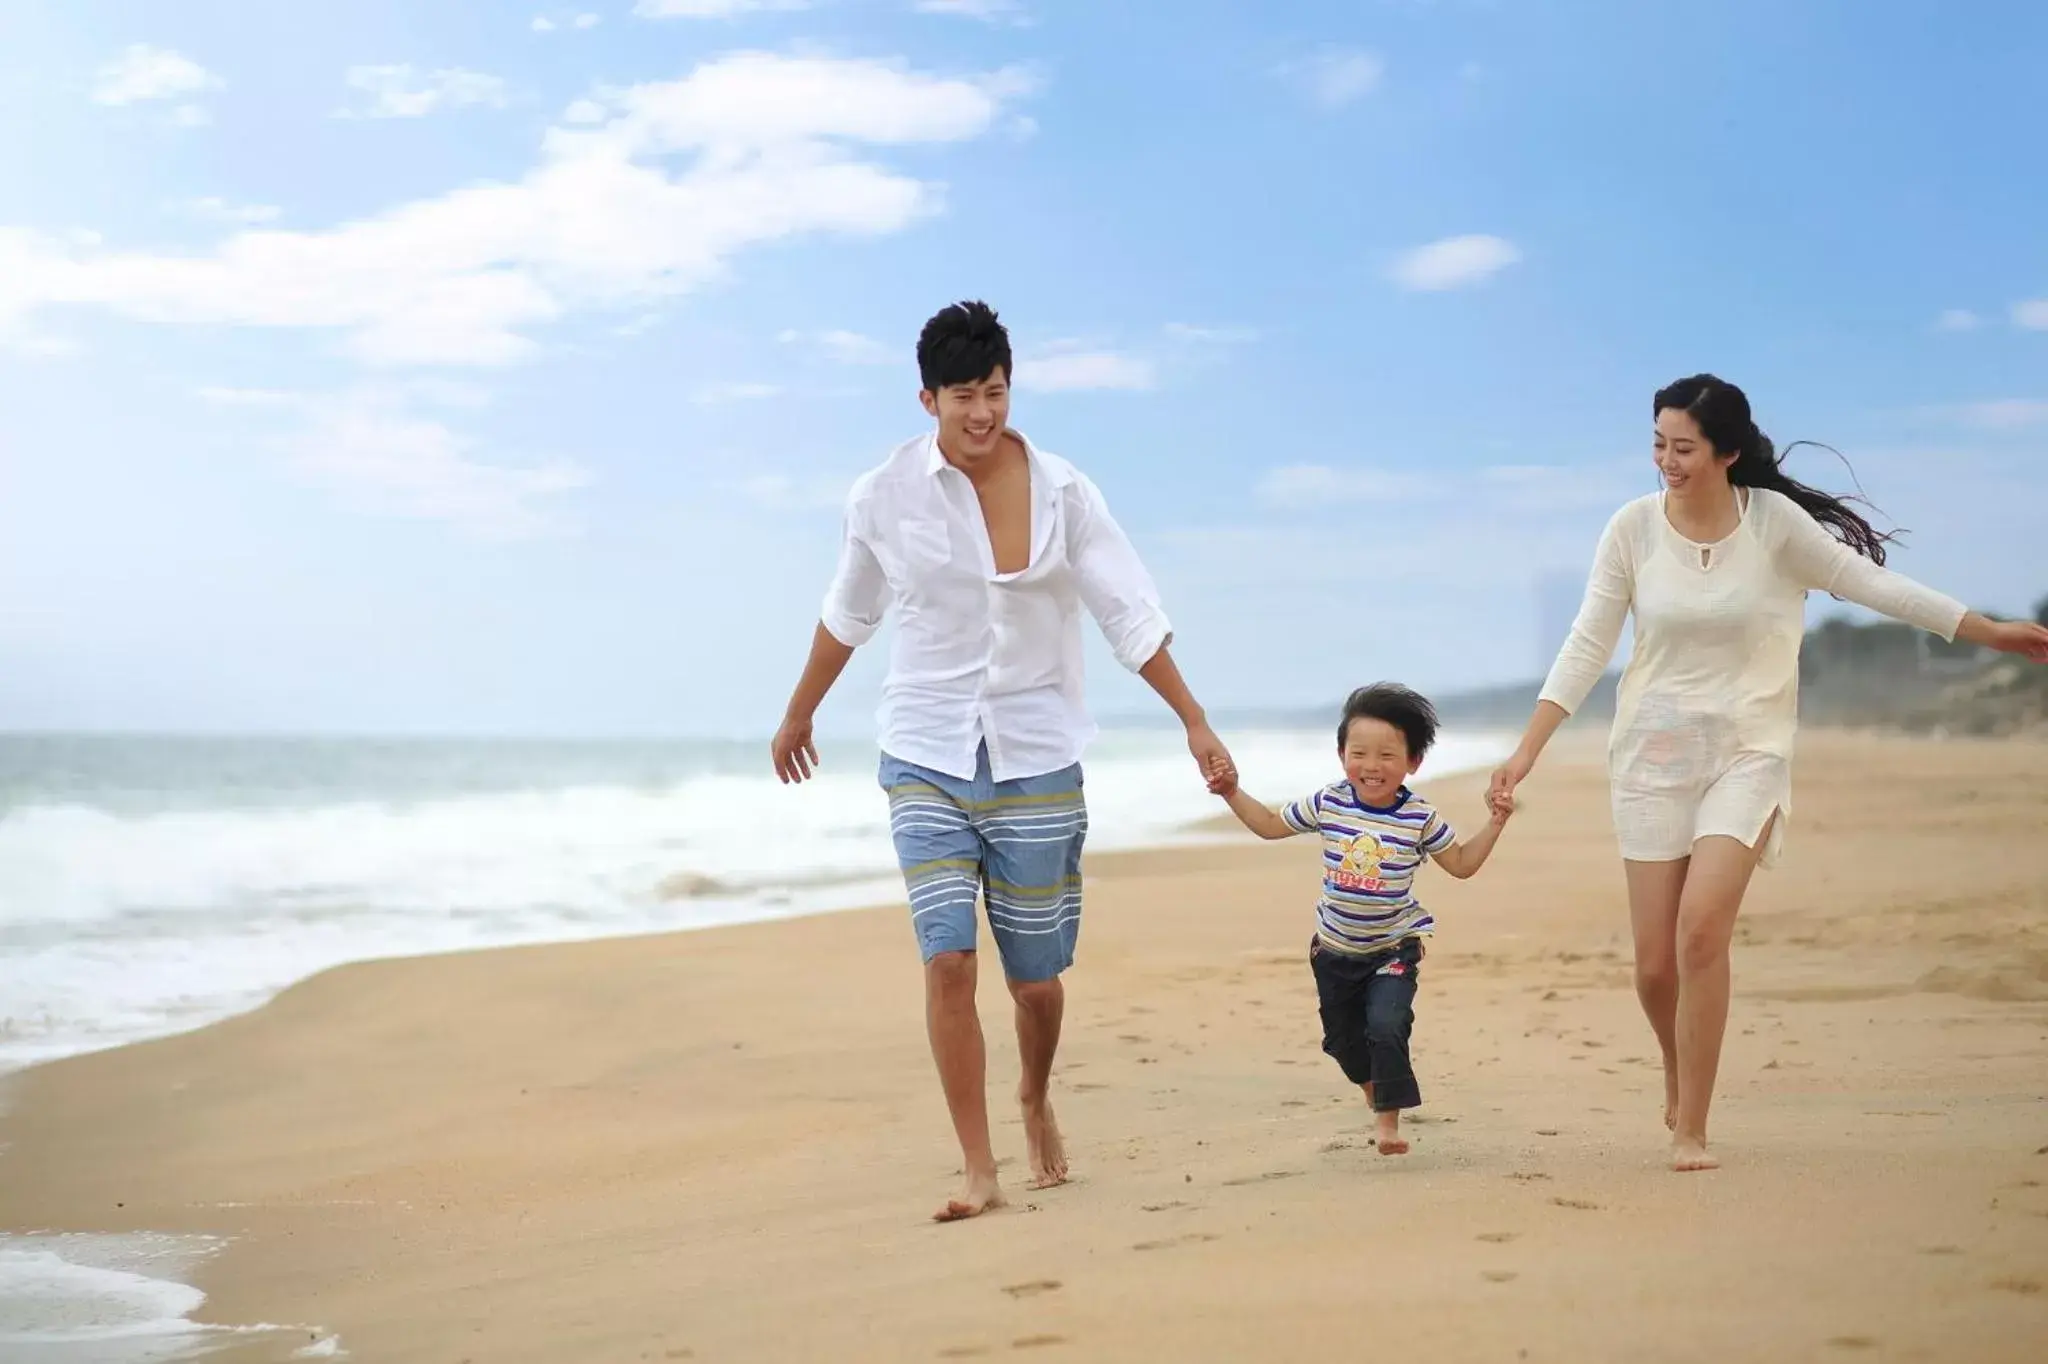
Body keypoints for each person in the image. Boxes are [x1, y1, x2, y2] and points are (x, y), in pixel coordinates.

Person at [1488, 374, 2048, 1173]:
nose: (1666, 461)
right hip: (1651, 758)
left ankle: (1694, 1130)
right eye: (1657, 444)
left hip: (1748, 751)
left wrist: (1984, 630)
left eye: (1683, 447)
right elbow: (1588, 646)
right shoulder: (1633, 530)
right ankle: (1676, 1070)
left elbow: (1870, 582)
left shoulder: (1775, 526)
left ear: (1728, 452)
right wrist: (1526, 751)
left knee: (1702, 930)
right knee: (1653, 968)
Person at [770, 301, 1235, 1222]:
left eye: (994, 392)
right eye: (962, 398)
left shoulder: (1066, 493)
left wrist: (1195, 720)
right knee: (948, 962)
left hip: (1036, 750)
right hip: (926, 749)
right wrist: (799, 712)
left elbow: (1127, 614)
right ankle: (979, 1169)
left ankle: (1034, 1093)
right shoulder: (882, 496)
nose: (981, 414)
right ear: (927, 399)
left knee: (1036, 982)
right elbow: (850, 614)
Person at [1209, 683, 1514, 1157]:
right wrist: (1231, 791)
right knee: (1343, 1044)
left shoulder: (1418, 817)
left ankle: (1387, 1124)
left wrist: (1495, 823)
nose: (1372, 767)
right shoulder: (1329, 802)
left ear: (1413, 761)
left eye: (1388, 755)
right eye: (1360, 754)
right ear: (1341, 754)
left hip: (1393, 947)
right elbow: (1270, 825)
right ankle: (1376, 1089)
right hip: (1333, 951)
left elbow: (1461, 864)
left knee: (1387, 1025)